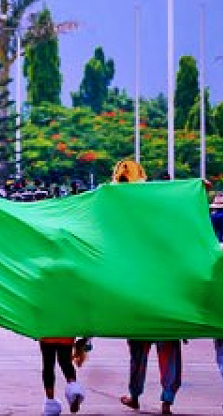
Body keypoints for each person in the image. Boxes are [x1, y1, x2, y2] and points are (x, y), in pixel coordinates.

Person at [112, 159, 183, 415]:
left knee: (138, 352)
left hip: (137, 292)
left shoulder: (115, 203)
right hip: (165, 291)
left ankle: (134, 395)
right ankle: (167, 399)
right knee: (168, 349)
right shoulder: (157, 202)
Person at [38, 337, 86, 415]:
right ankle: (74, 390)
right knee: (65, 362)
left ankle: (50, 403)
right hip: (65, 334)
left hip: (47, 333)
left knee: (48, 365)